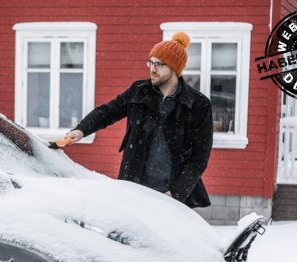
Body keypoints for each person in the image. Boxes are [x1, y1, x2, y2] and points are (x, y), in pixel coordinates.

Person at [56, 32, 213, 208]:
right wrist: (81, 130)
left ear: (174, 68)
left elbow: (200, 158)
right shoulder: (139, 91)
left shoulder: (198, 105)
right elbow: (108, 112)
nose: (152, 69)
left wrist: (176, 193)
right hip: (134, 188)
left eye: (159, 64)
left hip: (171, 196)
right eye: (151, 62)